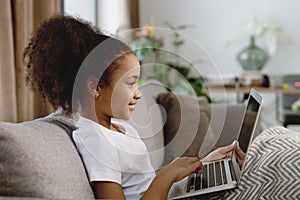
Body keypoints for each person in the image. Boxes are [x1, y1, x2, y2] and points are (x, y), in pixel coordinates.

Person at [23, 15, 244, 199]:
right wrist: (167, 175)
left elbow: (144, 187)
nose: (138, 93)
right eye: (130, 83)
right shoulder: (96, 140)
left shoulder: (119, 128)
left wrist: (201, 164)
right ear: (95, 86)